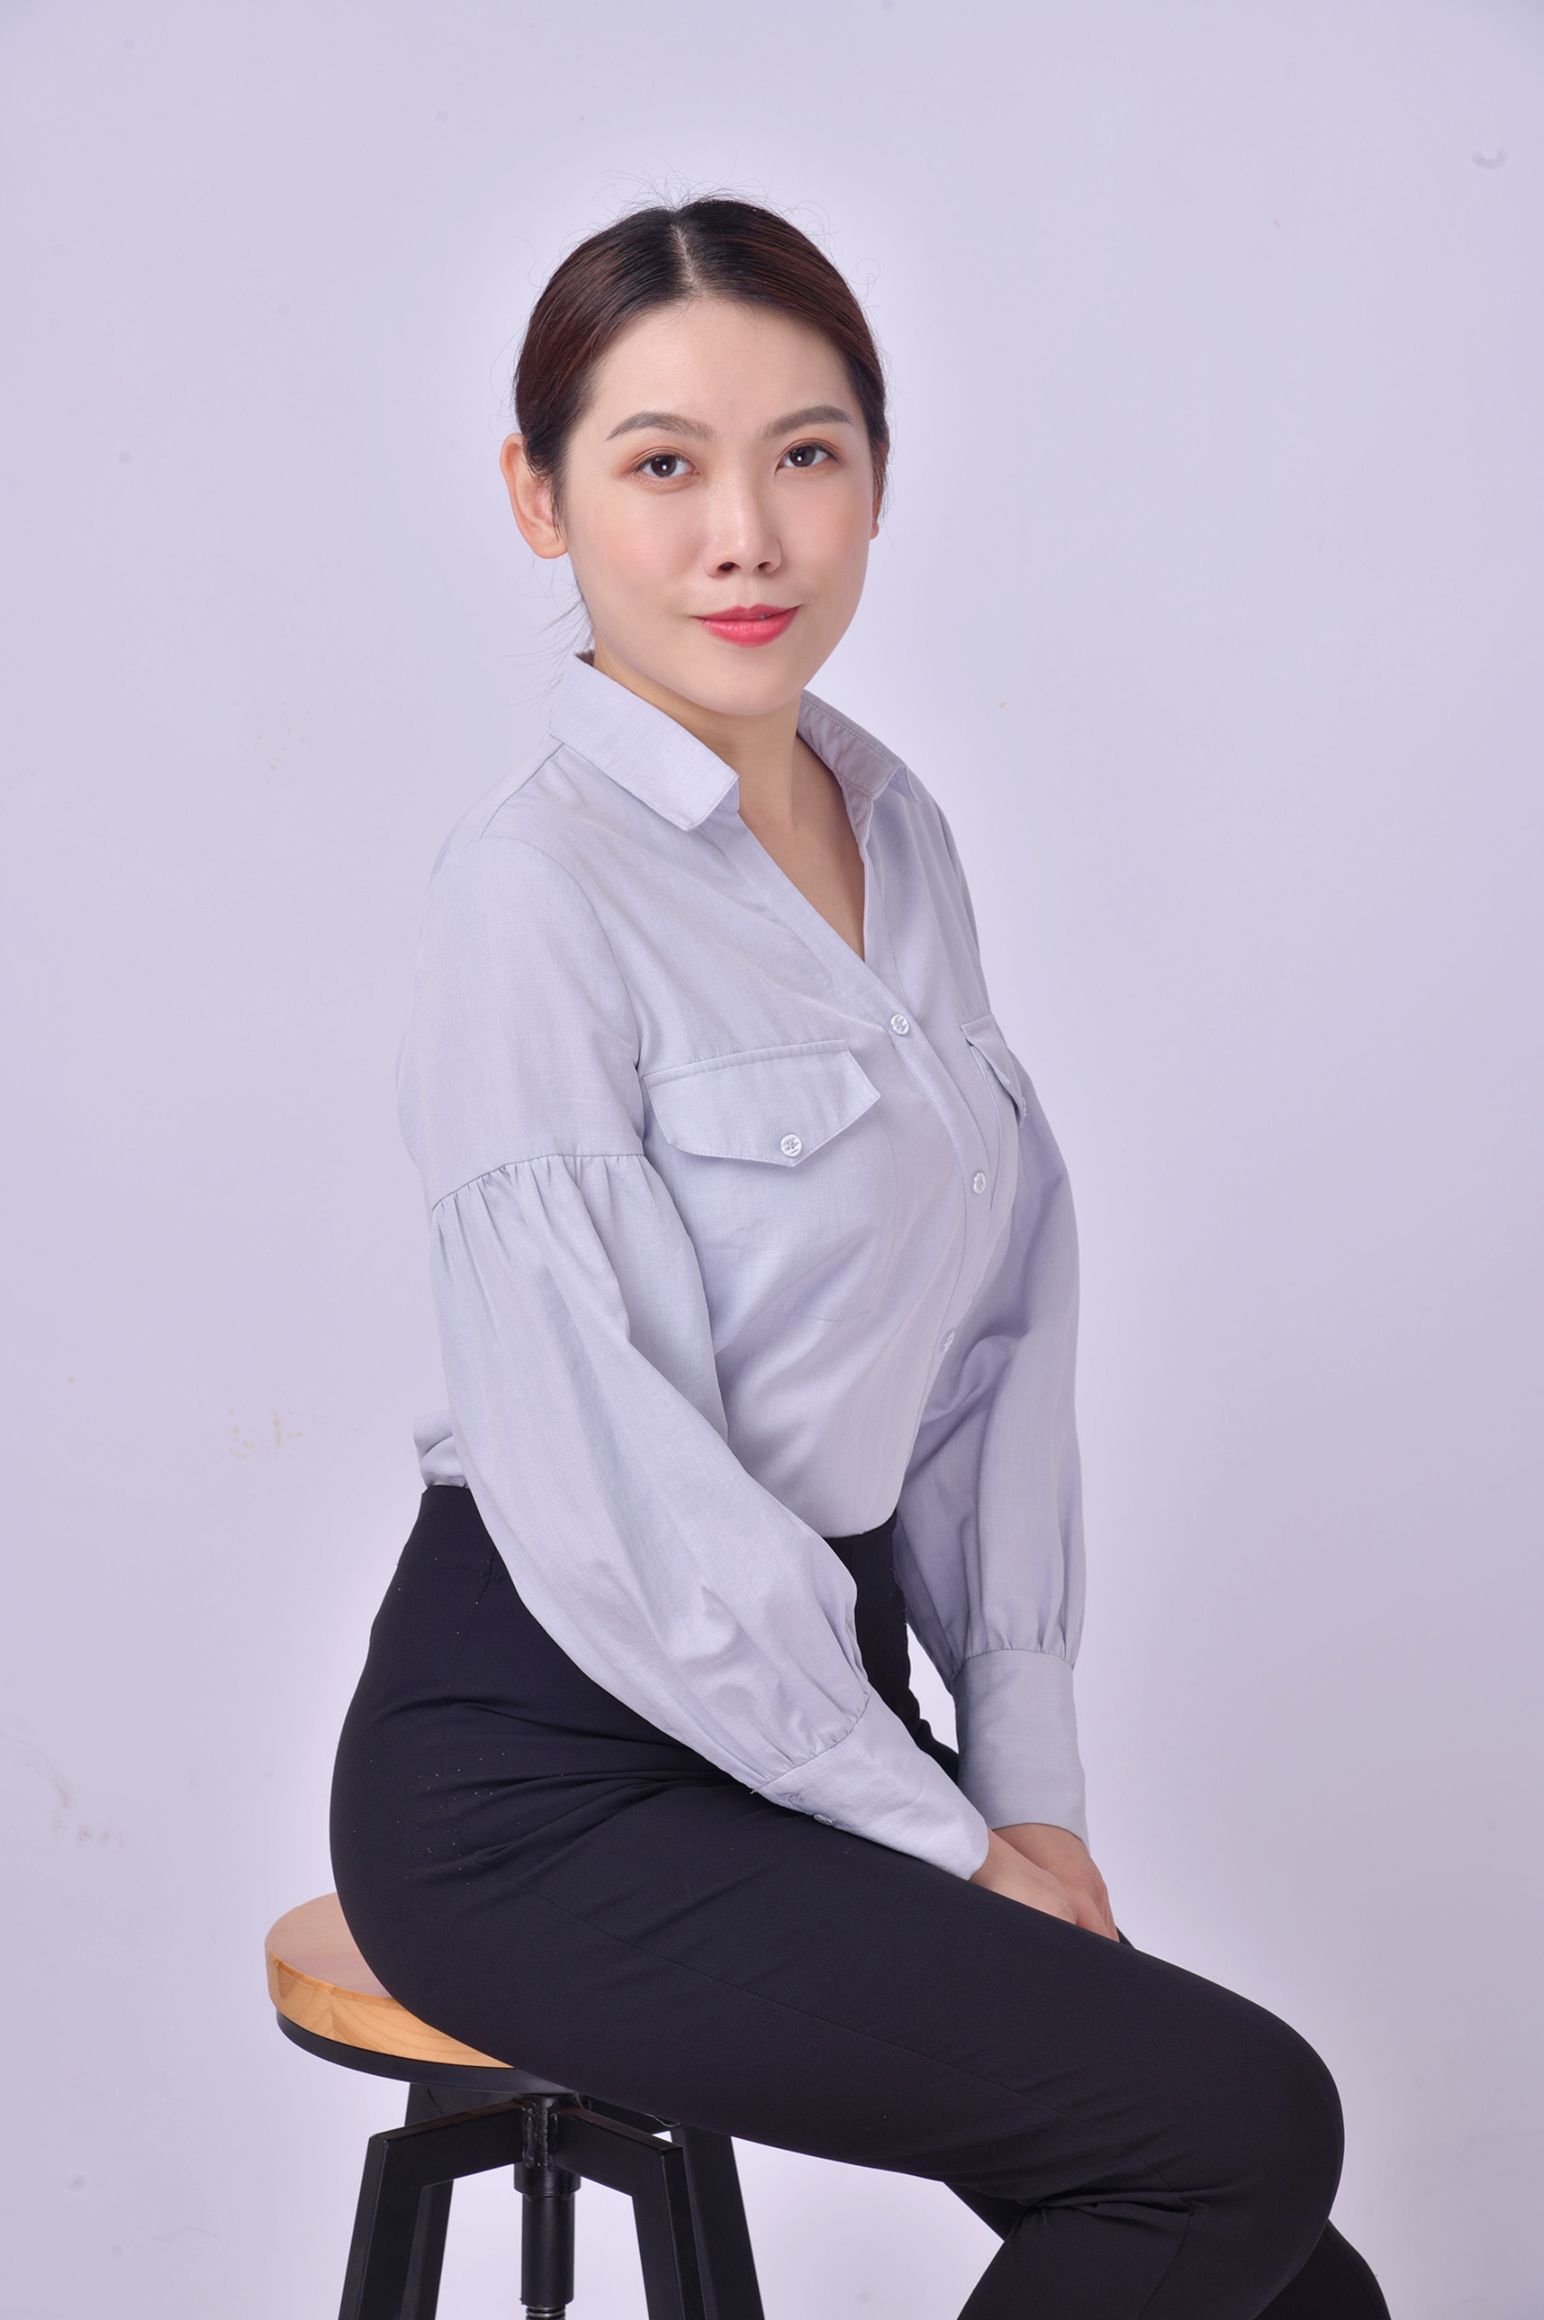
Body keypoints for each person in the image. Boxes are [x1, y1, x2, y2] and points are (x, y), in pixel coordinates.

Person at [329, 194, 1391, 2317]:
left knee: (1287, 2274)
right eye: (662, 463)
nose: (746, 535)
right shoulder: (532, 898)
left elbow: (992, 1346)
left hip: (818, 1692)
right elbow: (616, 1497)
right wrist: (939, 1842)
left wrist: (1021, 1782)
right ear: (539, 498)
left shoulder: (892, 827)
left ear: (878, 479)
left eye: (804, 453)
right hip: (551, 1768)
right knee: (1238, 2130)